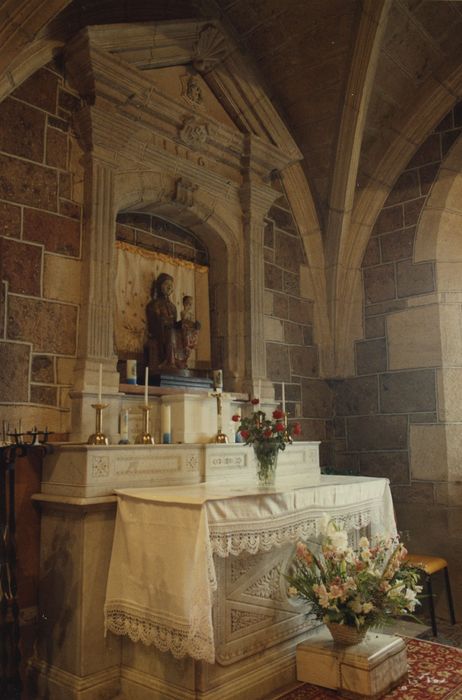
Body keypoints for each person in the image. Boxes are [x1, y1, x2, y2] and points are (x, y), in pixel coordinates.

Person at [146, 275, 200, 370]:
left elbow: (175, 324)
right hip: (160, 332)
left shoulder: (173, 307)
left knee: (186, 331)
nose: (169, 287)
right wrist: (164, 322)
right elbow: (153, 323)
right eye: (166, 284)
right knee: (171, 333)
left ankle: (181, 360)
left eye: (171, 285)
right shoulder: (154, 304)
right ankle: (170, 361)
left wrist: (190, 324)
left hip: (171, 331)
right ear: (160, 286)